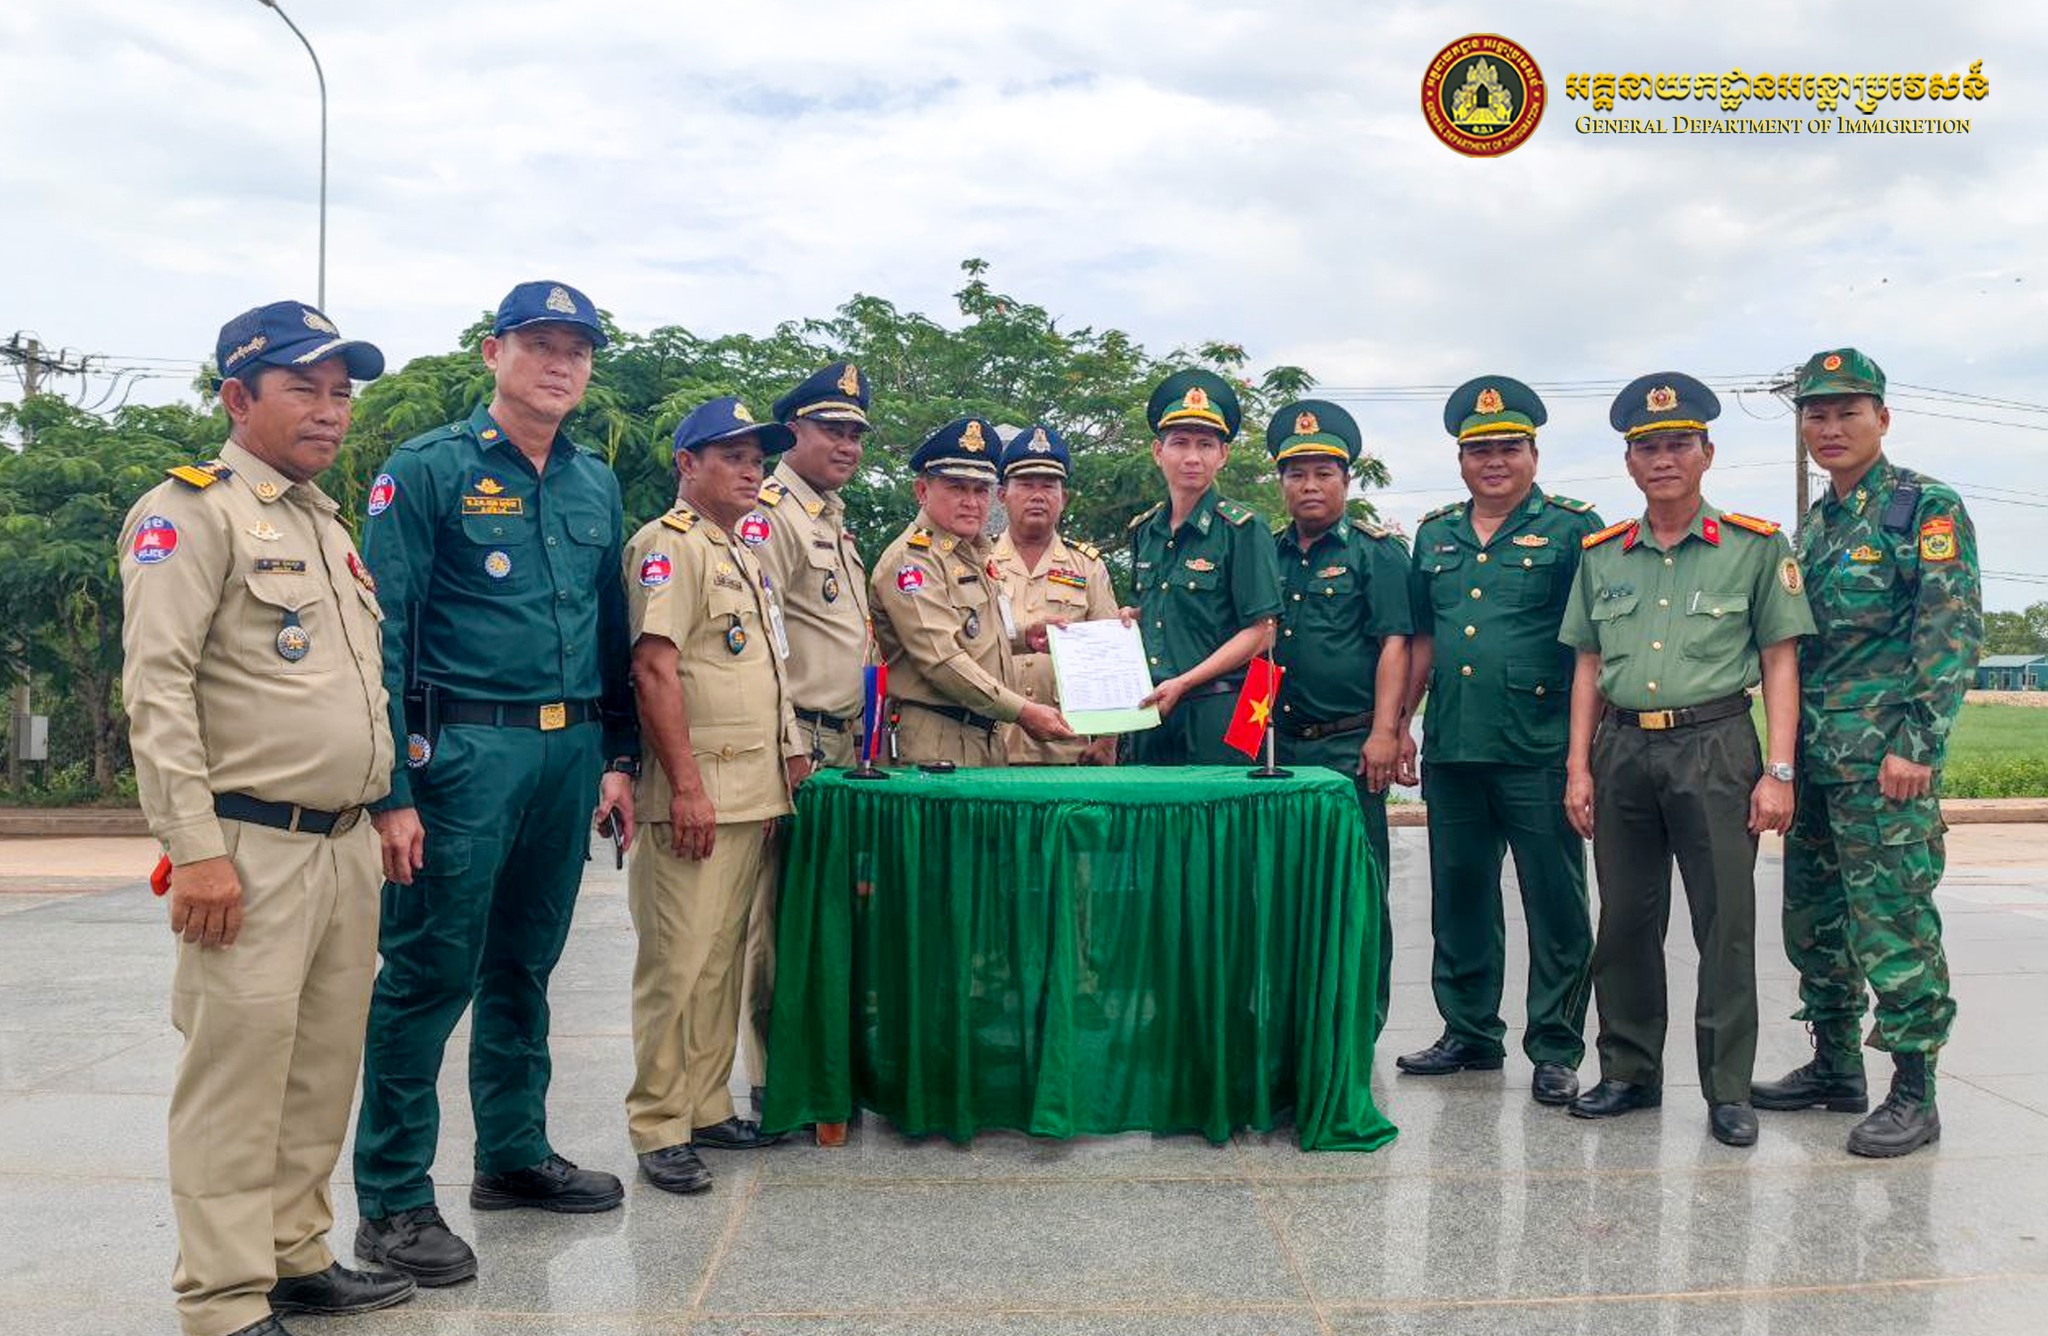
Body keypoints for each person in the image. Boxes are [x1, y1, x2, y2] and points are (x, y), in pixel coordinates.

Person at [121, 301, 414, 1336]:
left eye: (341, 392)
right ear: (238, 397)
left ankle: (294, 1255)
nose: (330, 410)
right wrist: (195, 851)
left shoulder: (324, 524)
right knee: (236, 1078)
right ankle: (222, 1296)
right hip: (246, 848)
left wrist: (384, 802)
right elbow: (157, 690)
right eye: (305, 388)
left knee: (318, 1069)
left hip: (341, 844)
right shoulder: (188, 513)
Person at [351, 281, 640, 1284]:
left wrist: (617, 755)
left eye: (577, 350)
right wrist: (391, 788)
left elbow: (611, 628)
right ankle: (393, 1201)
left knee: (525, 964)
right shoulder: (426, 469)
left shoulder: (593, 482)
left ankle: (513, 1155)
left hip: (567, 752)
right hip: (464, 753)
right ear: (493, 352)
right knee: (428, 972)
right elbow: (383, 634)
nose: (561, 364)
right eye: (540, 344)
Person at [1558, 372, 1814, 1148]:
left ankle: (1728, 1088)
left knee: (1724, 924)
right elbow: (1587, 664)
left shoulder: (1754, 547)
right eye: (1648, 449)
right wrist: (1578, 768)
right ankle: (1629, 1072)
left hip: (1715, 745)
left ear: (1707, 453)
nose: (1663, 460)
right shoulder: (1603, 555)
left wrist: (1778, 771)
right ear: (1629, 463)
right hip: (1623, 748)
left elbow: (1779, 660)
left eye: (1678, 445)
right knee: (1625, 922)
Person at [1753, 348, 1982, 1157]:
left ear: (1882, 417)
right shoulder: (1817, 523)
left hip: (1885, 764)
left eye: (1847, 411)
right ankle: (1836, 1065)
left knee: (1894, 924)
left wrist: (1916, 743)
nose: (1830, 427)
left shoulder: (1923, 508)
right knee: (1815, 921)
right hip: (1817, 762)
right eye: (1815, 414)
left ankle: (1915, 1091)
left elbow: (1950, 629)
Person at [1393, 377, 1601, 1106]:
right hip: (1455, 746)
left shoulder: (1573, 528)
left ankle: (1555, 1046)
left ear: (1533, 455)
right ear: (1460, 461)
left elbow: (1592, 645)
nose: (1494, 463)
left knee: (1556, 903)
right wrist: (1402, 724)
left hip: (1538, 749)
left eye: (1509, 449)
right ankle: (1470, 1031)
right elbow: (1424, 639)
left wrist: (1583, 756)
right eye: (1480, 451)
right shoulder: (1435, 535)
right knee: (1460, 898)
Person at [624, 397, 807, 1195]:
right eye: (731, 456)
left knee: (720, 963)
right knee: (676, 963)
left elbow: (767, 672)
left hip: (751, 791)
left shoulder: (743, 552)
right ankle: (659, 1123)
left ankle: (704, 1104)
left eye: (757, 459)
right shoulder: (668, 547)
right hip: (695, 794)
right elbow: (653, 669)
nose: (750, 471)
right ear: (686, 464)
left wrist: (789, 759)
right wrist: (687, 788)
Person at [735, 362, 874, 1114]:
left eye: (856, 432)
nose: (847, 444)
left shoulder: (829, 517)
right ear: (793, 432)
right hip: (799, 744)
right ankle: (771, 1078)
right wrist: (787, 742)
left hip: (840, 742)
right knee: (777, 914)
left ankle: (812, 1062)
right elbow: (760, 642)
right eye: (831, 429)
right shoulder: (772, 513)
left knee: (823, 910)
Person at [1265, 399, 1411, 1035]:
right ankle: (1293, 1021)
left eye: (1323, 473)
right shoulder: (1265, 552)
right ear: (1281, 482)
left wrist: (1385, 732)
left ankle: (1359, 1023)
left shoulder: (1376, 553)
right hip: (1278, 749)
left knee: (1357, 887)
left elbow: (1396, 645)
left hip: (1348, 746)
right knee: (1283, 888)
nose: (1310, 485)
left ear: (1346, 481)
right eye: (1297, 474)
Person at [870, 416, 1075, 765]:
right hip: (934, 740)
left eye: (980, 489)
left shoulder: (971, 553)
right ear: (922, 492)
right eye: (957, 488)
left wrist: (1023, 636)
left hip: (982, 736)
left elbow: (970, 632)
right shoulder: (913, 561)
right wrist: (1022, 711)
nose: (971, 501)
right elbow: (942, 660)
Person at [1124, 370, 1282, 764]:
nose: (1192, 457)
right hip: (1150, 711)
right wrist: (1131, 617)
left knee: (1224, 807)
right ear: (1158, 452)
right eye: (1179, 443)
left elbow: (1262, 632)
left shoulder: (1244, 529)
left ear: (1222, 455)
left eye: (1206, 445)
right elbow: (1159, 611)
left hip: (1222, 713)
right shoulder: (1145, 531)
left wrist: (1185, 682)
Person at [992, 423, 1119, 765]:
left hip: (1069, 746)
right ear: (1002, 495)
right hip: (992, 744)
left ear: (1064, 498)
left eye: (1048, 485)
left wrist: (1108, 740)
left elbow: (1109, 656)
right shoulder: (978, 562)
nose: (1038, 495)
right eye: (1025, 484)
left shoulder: (1087, 566)